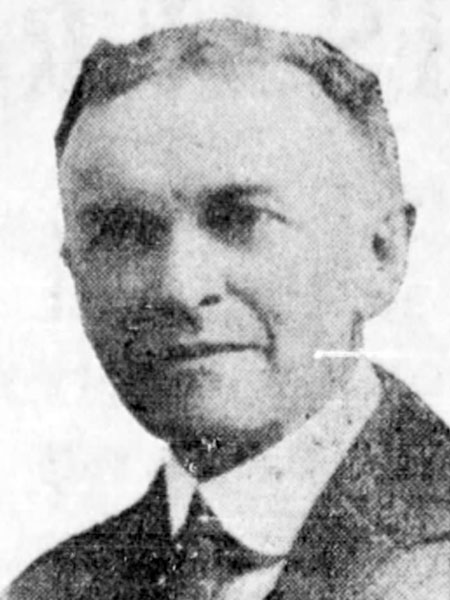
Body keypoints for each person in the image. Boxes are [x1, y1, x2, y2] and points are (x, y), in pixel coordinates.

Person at [5, 18, 450, 600]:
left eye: (242, 218)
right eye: (122, 230)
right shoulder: (48, 589)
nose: (179, 287)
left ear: (380, 254)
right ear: (74, 268)